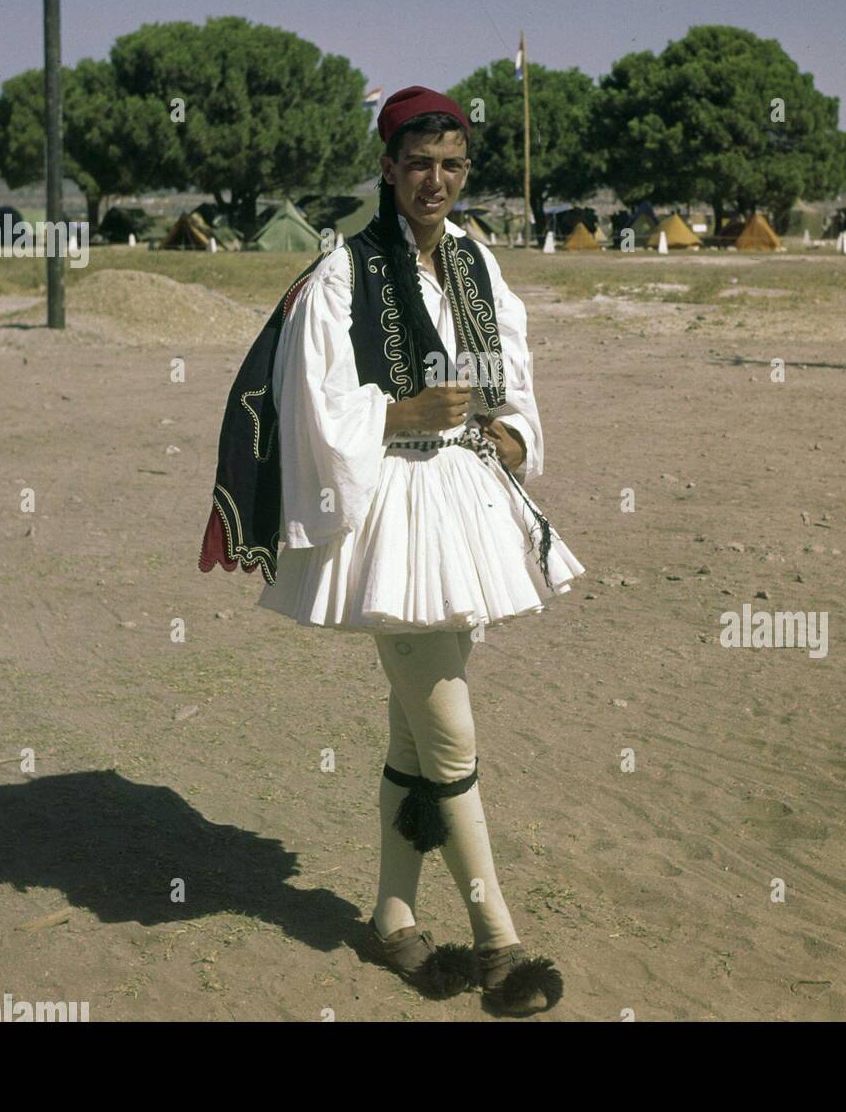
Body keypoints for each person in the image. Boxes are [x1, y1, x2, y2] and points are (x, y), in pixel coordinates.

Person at [199, 85, 585, 1015]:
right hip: (388, 516)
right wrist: (399, 412)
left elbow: (513, 379)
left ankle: (393, 916)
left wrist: (515, 437)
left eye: (452, 166)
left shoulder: (477, 265)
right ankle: (500, 941)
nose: (436, 182)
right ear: (386, 167)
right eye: (419, 165)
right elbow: (314, 402)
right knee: (450, 726)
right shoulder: (343, 273)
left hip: (461, 504)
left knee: (418, 733)